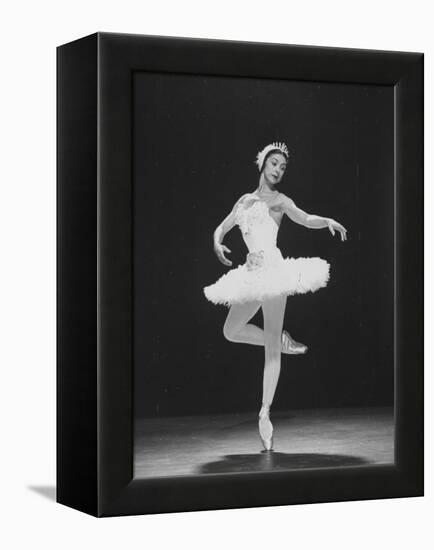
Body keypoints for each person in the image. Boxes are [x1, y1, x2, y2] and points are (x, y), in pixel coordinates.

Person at [203, 142, 347, 451]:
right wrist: (217, 243)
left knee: (270, 349)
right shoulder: (244, 201)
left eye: (283, 167)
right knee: (230, 331)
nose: (278, 170)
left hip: (274, 271)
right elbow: (223, 227)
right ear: (262, 163)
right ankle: (280, 339)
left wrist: (327, 222)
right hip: (250, 274)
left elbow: (305, 218)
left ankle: (265, 413)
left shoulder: (280, 201)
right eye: (275, 163)